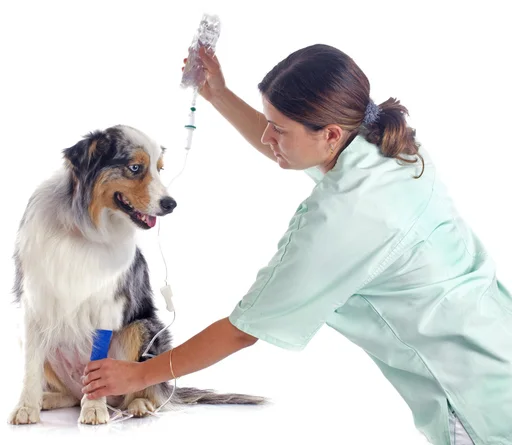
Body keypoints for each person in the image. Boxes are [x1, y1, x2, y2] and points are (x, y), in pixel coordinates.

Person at [81, 43, 512, 445]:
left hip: (475, 403)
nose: (269, 138)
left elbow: (241, 331)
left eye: (278, 129)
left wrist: (137, 377)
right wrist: (219, 95)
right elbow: (293, 149)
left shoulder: (342, 218)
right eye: (269, 124)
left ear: (328, 134)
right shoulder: (386, 145)